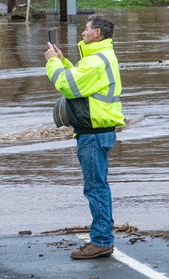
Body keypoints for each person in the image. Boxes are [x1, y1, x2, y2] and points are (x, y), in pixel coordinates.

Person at [45, 14, 124, 260]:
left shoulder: (97, 60)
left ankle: (101, 241)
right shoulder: (98, 58)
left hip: (93, 134)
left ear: (97, 33)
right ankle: (102, 238)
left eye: (86, 29)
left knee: (95, 188)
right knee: (97, 186)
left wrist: (52, 64)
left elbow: (68, 86)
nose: (82, 33)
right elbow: (81, 80)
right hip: (97, 132)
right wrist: (64, 60)